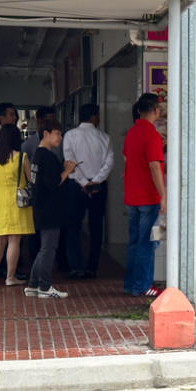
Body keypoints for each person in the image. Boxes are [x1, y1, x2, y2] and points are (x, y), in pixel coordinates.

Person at [26, 120, 77, 299]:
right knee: (49, 248)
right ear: (46, 133)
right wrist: (67, 171)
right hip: (50, 209)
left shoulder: (38, 156)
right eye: (57, 133)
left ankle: (33, 284)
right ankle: (45, 286)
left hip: (41, 207)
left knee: (44, 248)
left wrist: (62, 170)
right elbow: (53, 182)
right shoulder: (47, 156)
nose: (60, 138)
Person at [63, 104, 114, 279]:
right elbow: (109, 162)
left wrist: (84, 182)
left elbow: (69, 161)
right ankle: (92, 266)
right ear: (93, 117)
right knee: (96, 226)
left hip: (75, 186)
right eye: (98, 115)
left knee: (73, 226)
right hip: (98, 186)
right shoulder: (104, 137)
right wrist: (95, 182)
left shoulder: (70, 136)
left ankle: (76, 266)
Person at [122, 93, 166, 297]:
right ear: (156, 111)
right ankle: (143, 285)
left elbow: (126, 158)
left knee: (134, 242)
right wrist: (163, 194)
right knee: (147, 243)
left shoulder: (131, 132)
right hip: (148, 197)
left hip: (132, 196)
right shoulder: (152, 135)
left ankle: (131, 284)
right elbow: (155, 166)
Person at [0, 124, 34, 286]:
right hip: (18, 201)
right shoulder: (22, 157)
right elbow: (30, 179)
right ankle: (10, 277)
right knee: (14, 240)